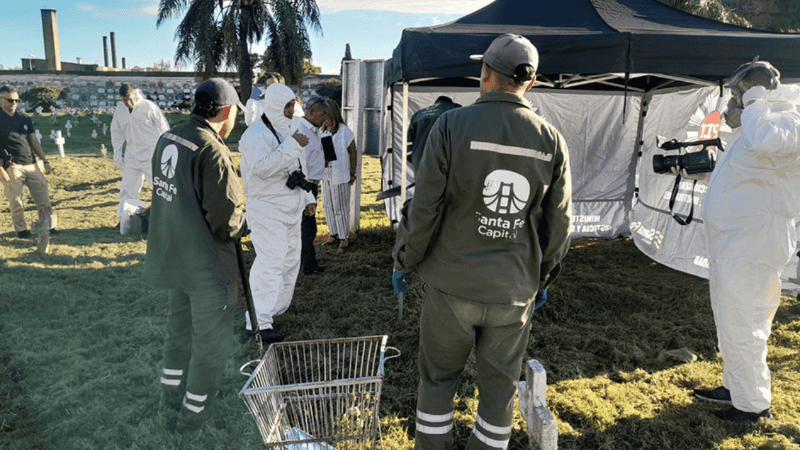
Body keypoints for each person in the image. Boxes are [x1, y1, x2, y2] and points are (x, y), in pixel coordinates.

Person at [391, 34, 572, 450]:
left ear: (486, 74)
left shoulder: (450, 127)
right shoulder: (551, 141)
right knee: (499, 390)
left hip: (451, 286)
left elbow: (424, 213)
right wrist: (542, 279)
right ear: (529, 82)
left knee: (437, 381)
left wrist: (404, 261)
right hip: (514, 293)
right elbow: (559, 225)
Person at [696, 58, 800, 423]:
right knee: (731, 315)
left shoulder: (788, 121)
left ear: (757, 91)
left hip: (756, 243)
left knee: (746, 318)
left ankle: (753, 405)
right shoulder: (761, 125)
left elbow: (768, 143)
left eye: (738, 94)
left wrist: (753, 98)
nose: (733, 106)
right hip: (738, 242)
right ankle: (736, 385)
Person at [142, 78, 247, 434]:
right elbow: (226, 222)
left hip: (175, 259)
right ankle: (193, 418)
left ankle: (168, 401)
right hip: (206, 269)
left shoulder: (168, 137)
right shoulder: (213, 150)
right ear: (226, 111)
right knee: (209, 346)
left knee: (178, 336)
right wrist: (244, 225)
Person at [239, 83, 315, 343]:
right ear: (273, 106)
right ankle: (257, 323)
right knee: (271, 262)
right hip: (266, 209)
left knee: (290, 260)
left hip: (291, 207)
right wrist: (292, 145)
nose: (292, 110)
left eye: (293, 105)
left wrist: (308, 197)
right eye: (287, 106)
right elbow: (262, 168)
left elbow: (298, 166)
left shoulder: (291, 129)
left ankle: (273, 309)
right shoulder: (254, 134)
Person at [110, 83, 170, 232]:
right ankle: (124, 221)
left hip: (151, 153)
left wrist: (165, 151)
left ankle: (168, 220)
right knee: (127, 188)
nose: (127, 103)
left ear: (134, 94)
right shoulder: (120, 110)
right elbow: (116, 132)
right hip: (132, 155)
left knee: (160, 187)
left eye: (129, 99)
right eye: (124, 100)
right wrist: (117, 153)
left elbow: (163, 128)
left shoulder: (148, 107)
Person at [0, 85, 54, 240]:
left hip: (31, 164)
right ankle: (22, 231)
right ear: (1, 99)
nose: (14, 103)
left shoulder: (24, 118)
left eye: (17, 100)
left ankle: (47, 226)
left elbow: (33, 141)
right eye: (10, 100)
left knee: (43, 196)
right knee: (16, 201)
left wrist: (45, 160)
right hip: (11, 166)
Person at [320, 98, 358, 252]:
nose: (323, 120)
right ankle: (333, 233)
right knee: (328, 204)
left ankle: (344, 238)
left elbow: (353, 152)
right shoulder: (322, 131)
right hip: (326, 172)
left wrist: (352, 173)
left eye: (325, 116)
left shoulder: (344, 131)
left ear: (332, 114)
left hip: (341, 173)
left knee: (340, 205)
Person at [296, 96, 329, 274]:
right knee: (307, 228)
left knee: (309, 227)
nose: (325, 117)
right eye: (322, 113)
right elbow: (300, 164)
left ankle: (307, 263)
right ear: (309, 112)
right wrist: (307, 193)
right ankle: (308, 265)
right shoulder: (302, 130)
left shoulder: (314, 130)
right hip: (306, 184)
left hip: (313, 183)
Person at [407, 96, 461, 173]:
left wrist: (416, 161)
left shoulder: (418, 115)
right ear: (449, 102)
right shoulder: (455, 109)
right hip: (444, 164)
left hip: (420, 165)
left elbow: (408, 145)